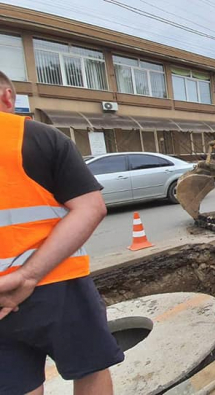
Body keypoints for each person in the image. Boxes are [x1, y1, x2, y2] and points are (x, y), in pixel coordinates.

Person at [0, 71, 124, 395]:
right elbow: (90, 207)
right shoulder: (39, 137)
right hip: (56, 283)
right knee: (90, 370)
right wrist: (27, 276)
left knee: (14, 384)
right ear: (7, 96)